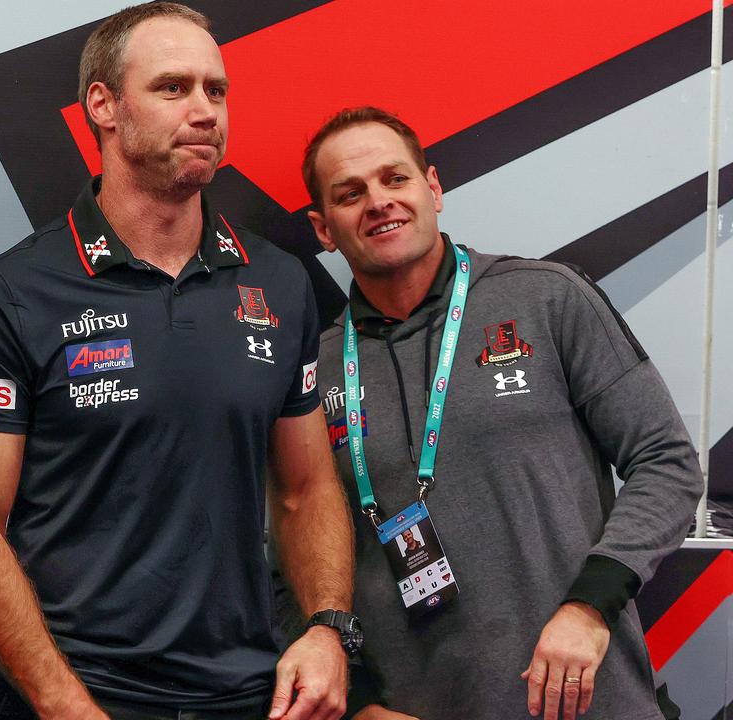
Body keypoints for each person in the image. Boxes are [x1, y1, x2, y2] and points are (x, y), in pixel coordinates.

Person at [0, 4, 356, 719]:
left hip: (249, 696)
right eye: (173, 88)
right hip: (73, 698)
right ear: (102, 104)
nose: (203, 111)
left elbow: (307, 488)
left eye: (215, 91)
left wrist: (327, 629)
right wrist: (61, 701)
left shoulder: (279, 283)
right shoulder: (11, 291)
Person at [277, 106, 702, 720]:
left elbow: (666, 463)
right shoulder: (312, 372)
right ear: (323, 228)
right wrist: (362, 702)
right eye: (350, 193)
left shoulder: (546, 298)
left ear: (433, 187)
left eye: (395, 179)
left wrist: (590, 606)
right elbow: (288, 556)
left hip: (587, 703)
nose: (378, 201)